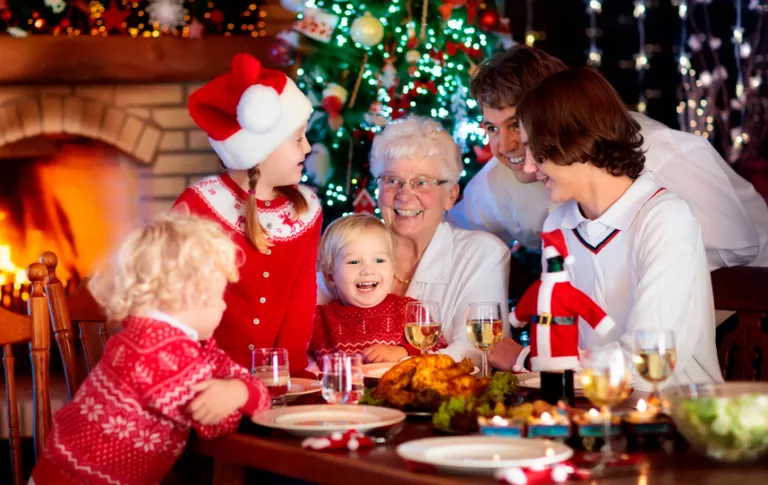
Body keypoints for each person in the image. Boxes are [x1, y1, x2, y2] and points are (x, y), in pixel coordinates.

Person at [448, 45, 768, 270]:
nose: (505, 145)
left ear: (561, 109)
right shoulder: (498, 180)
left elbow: (739, 250)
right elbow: (450, 239)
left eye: (517, 124)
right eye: (492, 128)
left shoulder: (662, 155)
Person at [505, 68, 723, 391]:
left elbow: (645, 362)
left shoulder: (666, 219)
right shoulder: (557, 225)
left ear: (573, 139)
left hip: (676, 416)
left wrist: (529, 359)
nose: (527, 167)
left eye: (535, 150)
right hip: (589, 408)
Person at [30, 214, 272, 485]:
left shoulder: (161, 339)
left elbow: (230, 373)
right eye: (219, 295)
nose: (224, 306)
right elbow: (217, 424)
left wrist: (238, 390)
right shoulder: (158, 351)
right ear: (190, 293)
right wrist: (242, 391)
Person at [318, 115, 511, 366]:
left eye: (422, 182)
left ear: (451, 195)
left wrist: (400, 365)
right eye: (392, 181)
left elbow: (475, 349)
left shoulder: (483, 253)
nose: (405, 195)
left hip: (444, 398)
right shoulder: (346, 246)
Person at [173, 53, 322, 373]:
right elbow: (179, 305)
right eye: (298, 138)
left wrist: (289, 377)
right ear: (261, 152)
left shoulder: (305, 212)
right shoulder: (198, 207)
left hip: (280, 382)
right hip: (208, 381)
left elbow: (301, 301)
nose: (308, 147)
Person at [310, 213, 421, 363]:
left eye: (379, 260)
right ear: (330, 277)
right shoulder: (318, 320)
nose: (368, 270)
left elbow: (435, 348)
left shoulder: (408, 310)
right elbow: (292, 355)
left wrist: (402, 352)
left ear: (393, 269)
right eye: (354, 262)